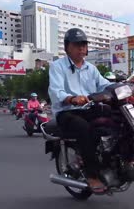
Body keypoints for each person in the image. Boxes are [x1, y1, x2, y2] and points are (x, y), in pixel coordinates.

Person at [48, 27, 112, 193]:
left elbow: (104, 84)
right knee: (85, 129)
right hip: (67, 111)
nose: (81, 48)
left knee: (116, 116)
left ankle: (126, 157)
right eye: (77, 44)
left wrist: (123, 86)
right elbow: (56, 90)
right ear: (67, 47)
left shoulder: (91, 68)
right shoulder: (57, 66)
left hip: (88, 108)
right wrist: (71, 98)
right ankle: (92, 175)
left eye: (84, 44)